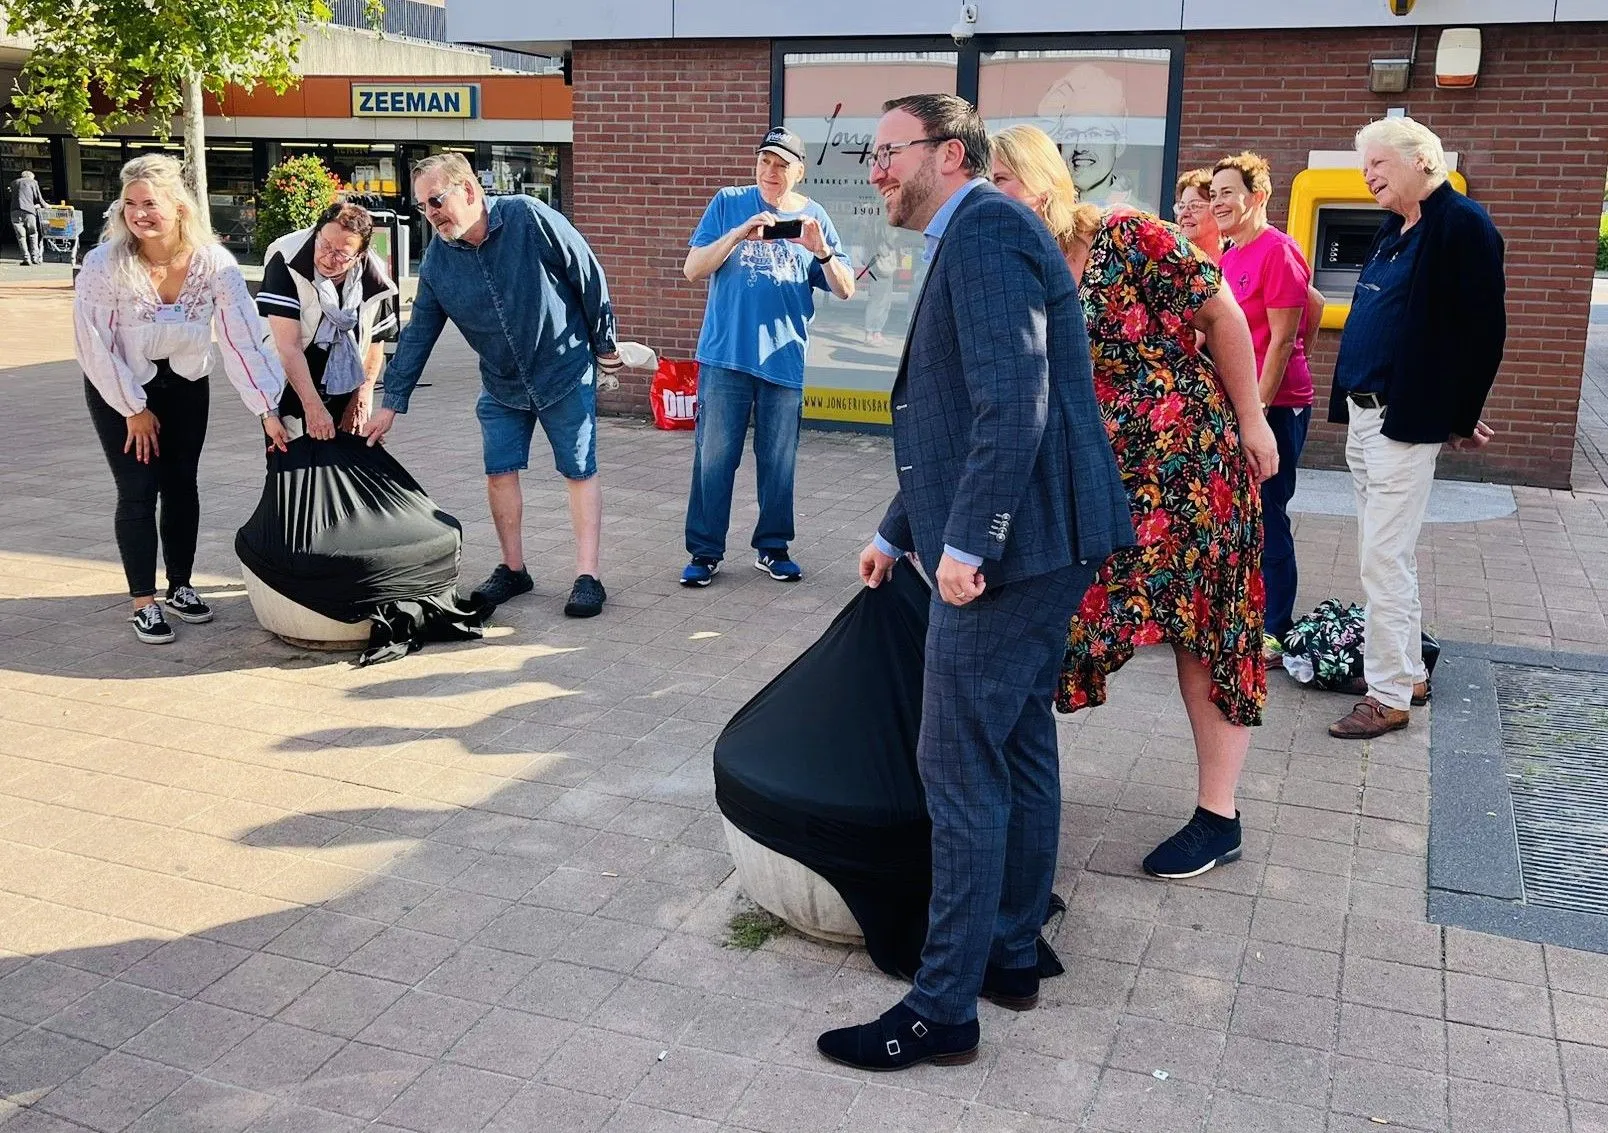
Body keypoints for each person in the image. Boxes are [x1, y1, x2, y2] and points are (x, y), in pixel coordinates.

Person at [815, 95, 1133, 1073]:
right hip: (1049, 537)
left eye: (885, 151)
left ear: (948, 155)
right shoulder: (981, 228)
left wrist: (969, 544)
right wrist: (895, 527)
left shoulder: (987, 226)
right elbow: (957, 410)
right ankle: (1010, 948)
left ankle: (944, 1006)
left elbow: (1013, 397)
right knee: (1021, 738)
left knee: (957, 763)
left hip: (1017, 546)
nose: (872, 170)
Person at [989, 123, 1277, 880]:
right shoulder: (1020, 268)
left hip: (1195, 471)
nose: (993, 194)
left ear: (1045, 185)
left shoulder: (1127, 235)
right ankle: (1016, 789)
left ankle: (1219, 815)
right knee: (1064, 620)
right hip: (1107, 488)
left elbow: (1223, 315)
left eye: (1004, 179)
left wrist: (1253, 422)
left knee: (1205, 633)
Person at [363, 153, 622, 619]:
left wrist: (605, 345)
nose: (431, 214)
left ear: (468, 190)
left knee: (578, 469)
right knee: (499, 471)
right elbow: (420, 330)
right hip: (501, 382)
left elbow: (588, 273)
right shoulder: (439, 262)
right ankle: (513, 569)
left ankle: (588, 576)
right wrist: (391, 403)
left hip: (561, 369)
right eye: (423, 206)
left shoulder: (527, 216)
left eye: (436, 200)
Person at [1327, 117, 1504, 739]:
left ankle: (1388, 694)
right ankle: (1408, 671)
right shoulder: (1394, 226)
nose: (1367, 174)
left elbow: (1484, 331)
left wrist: (1456, 414)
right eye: (1363, 165)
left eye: (1377, 163)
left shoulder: (1461, 226)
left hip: (1402, 421)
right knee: (1388, 556)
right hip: (1364, 412)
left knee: (1382, 557)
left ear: (1422, 160)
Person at [73, 154, 289, 645]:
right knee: (137, 489)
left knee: (181, 485)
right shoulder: (104, 264)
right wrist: (133, 408)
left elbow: (240, 339)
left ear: (180, 208)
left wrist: (267, 408)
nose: (138, 213)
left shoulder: (214, 263)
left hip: (186, 386)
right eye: (130, 204)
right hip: (120, 389)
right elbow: (93, 344)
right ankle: (143, 602)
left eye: (150, 203)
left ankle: (181, 585)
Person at [679, 127, 855, 587]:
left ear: (799, 171)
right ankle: (704, 551)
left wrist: (821, 251)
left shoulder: (814, 216)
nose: (771, 172)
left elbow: (846, 287)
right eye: (764, 162)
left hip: (783, 361)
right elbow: (693, 269)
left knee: (778, 461)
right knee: (714, 457)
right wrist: (737, 234)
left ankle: (773, 548)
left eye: (781, 164)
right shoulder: (728, 201)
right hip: (725, 357)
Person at [1211, 152, 1316, 661]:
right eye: (1213, 194)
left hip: (1275, 407)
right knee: (1240, 514)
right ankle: (1243, 614)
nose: (1217, 202)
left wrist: (1259, 412)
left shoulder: (1278, 250)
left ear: (1258, 195)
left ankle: (1275, 627)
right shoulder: (1229, 256)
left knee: (1269, 513)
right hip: (1242, 404)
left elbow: (1283, 338)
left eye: (1227, 191)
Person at [257, 200, 397, 440]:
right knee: (293, 464)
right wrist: (313, 408)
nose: (328, 258)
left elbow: (376, 340)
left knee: (346, 461)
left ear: (360, 255)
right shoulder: (286, 257)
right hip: (288, 379)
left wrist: (361, 398)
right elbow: (287, 346)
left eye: (342, 254)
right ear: (316, 233)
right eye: (324, 245)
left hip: (347, 379)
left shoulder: (374, 275)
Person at [1174, 168, 1222, 262]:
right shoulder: (1170, 261)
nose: (1184, 214)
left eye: (1194, 206)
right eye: (1181, 206)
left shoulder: (1235, 262)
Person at [9, 168, 44, 266]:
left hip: (15, 211)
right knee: (33, 233)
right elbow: (38, 198)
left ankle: (26, 258)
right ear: (31, 177)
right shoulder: (33, 182)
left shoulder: (14, 183)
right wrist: (46, 206)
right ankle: (35, 257)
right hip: (29, 211)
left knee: (21, 236)